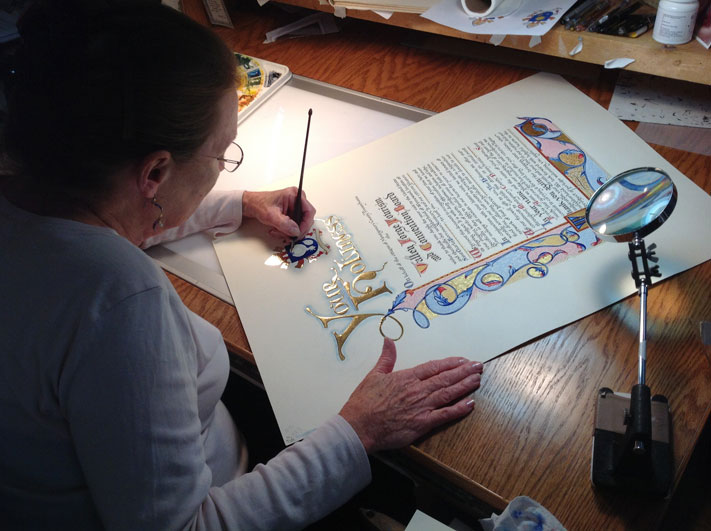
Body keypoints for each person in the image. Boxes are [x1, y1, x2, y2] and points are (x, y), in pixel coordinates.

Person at [0, 1, 484, 529]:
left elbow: (115, 212)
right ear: (156, 171)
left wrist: (238, 204)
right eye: (222, 153)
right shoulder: (118, 301)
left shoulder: (32, 190)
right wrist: (359, 431)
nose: (224, 166)